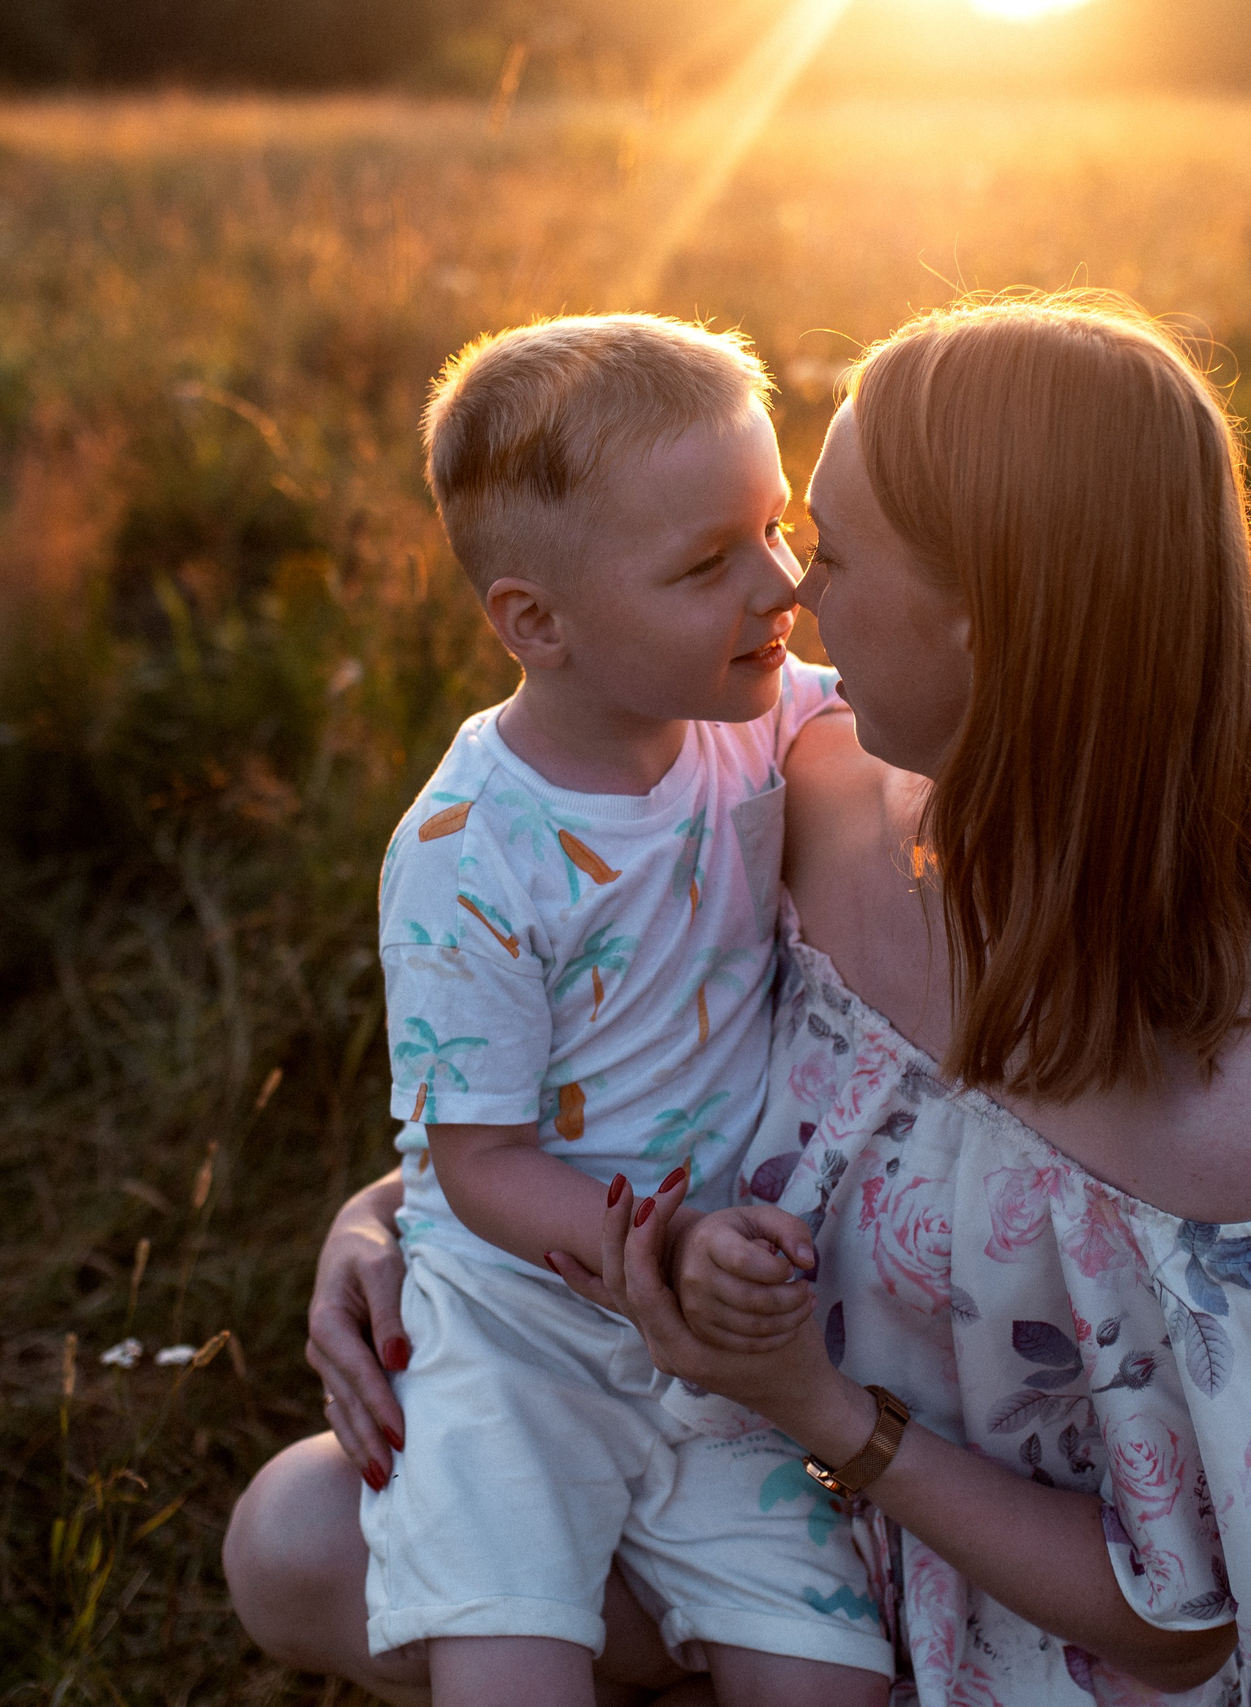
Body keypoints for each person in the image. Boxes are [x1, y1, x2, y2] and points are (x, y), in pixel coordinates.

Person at [227, 292, 1251, 1706]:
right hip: (746, 1464)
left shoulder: (1208, 1098)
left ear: (988, 618)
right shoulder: (807, 788)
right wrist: (391, 1214)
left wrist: (821, 1410)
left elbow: (1178, 1624)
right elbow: (622, 1035)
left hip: (1015, 1597)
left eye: (831, 550)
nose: (792, 593)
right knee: (299, 1538)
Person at [356, 311, 890, 1707]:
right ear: (538, 623)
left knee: (830, 1679)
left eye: (773, 526)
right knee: (510, 1659)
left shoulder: (765, 709)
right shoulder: (469, 850)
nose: (780, 583)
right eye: (707, 565)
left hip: (723, 1334)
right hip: (521, 1331)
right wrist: (671, 1241)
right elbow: (478, 1164)